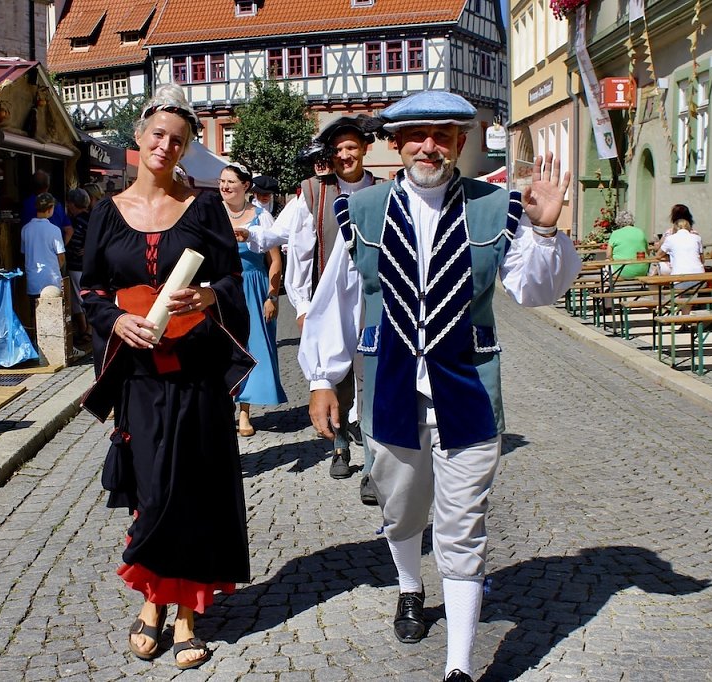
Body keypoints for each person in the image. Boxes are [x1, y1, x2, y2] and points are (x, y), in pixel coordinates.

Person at [298, 91, 581, 682]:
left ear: (460, 142)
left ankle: (459, 667)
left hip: (469, 390)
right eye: (417, 135)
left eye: (443, 135)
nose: (429, 146)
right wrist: (323, 378)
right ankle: (409, 586)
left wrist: (545, 230)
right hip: (390, 390)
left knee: (462, 529)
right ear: (396, 143)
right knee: (401, 511)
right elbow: (340, 298)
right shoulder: (363, 210)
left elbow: (533, 289)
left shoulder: (493, 207)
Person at [79, 84, 252, 672]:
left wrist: (207, 296)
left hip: (196, 377)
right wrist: (116, 319)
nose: (166, 146)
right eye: (158, 135)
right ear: (139, 136)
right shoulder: (107, 214)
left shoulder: (204, 209)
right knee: (151, 492)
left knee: (194, 490)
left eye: (178, 141)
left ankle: (185, 615)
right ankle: (152, 599)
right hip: (140, 379)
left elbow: (230, 281)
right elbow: (90, 291)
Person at [277, 114, 379, 495]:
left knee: (373, 381)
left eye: (351, 147)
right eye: (338, 150)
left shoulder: (384, 192)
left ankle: (374, 466)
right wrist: (303, 306)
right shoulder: (314, 193)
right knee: (336, 379)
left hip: (373, 300)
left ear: (364, 149)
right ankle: (340, 447)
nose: (345, 155)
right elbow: (301, 252)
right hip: (329, 301)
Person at [219, 163, 288, 436]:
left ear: (245, 185)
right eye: (222, 181)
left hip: (254, 287)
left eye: (230, 181)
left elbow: (275, 261)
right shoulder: (212, 214)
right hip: (222, 290)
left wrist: (273, 296)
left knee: (253, 348)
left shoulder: (261, 217)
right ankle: (223, 407)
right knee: (223, 349)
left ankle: (244, 412)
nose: (225, 186)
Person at [20, 192, 66, 297]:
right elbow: (61, 258)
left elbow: (24, 253)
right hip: (52, 281)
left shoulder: (26, 229)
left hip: (33, 280)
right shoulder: (54, 230)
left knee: (34, 306)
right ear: (50, 209)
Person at [657, 218, 704, 314]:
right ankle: (684, 316)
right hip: (700, 279)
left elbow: (658, 255)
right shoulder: (697, 238)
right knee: (688, 295)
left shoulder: (670, 239)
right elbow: (702, 260)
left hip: (679, 279)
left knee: (677, 289)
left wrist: (671, 255)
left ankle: (676, 312)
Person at [64, 187, 92, 347]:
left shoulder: (79, 221)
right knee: (80, 298)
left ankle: (87, 330)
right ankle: (85, 330)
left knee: (80, 298)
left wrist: (87, 249)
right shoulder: (89, 218)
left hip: (78, 265)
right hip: (81, 265)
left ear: (73, 204)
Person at [22, 170, 71, 240]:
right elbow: (69, 230)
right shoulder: (57, 205)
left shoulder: (26, 205)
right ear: (48, 186)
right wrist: (62, 245)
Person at [653, 204, 697, 275]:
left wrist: (656, 245)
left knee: (656, 268)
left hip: (672, 268)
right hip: (694, 269)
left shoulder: (669, 233)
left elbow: (658, 250)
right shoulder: (695, 234)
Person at [605, 210, 650, 279]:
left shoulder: (615, 233)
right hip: (642, 272)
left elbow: (608, 255)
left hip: (620, 272)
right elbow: (647, 252)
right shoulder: (640, 232)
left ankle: (606, 285)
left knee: (607, 263)